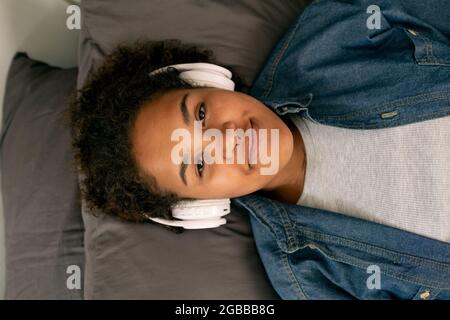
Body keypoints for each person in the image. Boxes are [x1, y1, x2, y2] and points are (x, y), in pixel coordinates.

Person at [70, 0, 450, 299]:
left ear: (209, 79)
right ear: (199, 209)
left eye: (201, 112)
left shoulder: (333, 38)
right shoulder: (306, 276)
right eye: (200, 164)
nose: (227, 138)